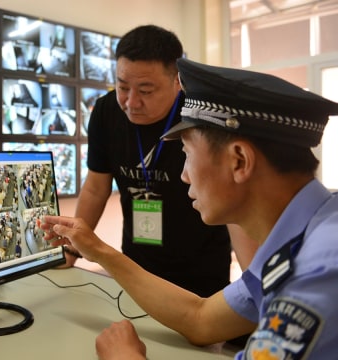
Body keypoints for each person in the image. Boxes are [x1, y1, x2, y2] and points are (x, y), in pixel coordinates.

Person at [41, 57, 338, 359]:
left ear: (239, 161)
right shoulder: (303, 238)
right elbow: (200, 318)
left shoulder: (317, 274)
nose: (183, 174)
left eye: (187, 153)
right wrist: (97, 250)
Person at [68, 24, 256, 297]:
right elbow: (96, 188)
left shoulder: (203, 116)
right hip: (136, 263)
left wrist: (256, 283)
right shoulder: (106, 112)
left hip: (200, 267)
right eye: (122, 87)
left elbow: (235, 205)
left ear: (177, 81)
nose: (131, 102)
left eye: (146, 91)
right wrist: (72, 247)